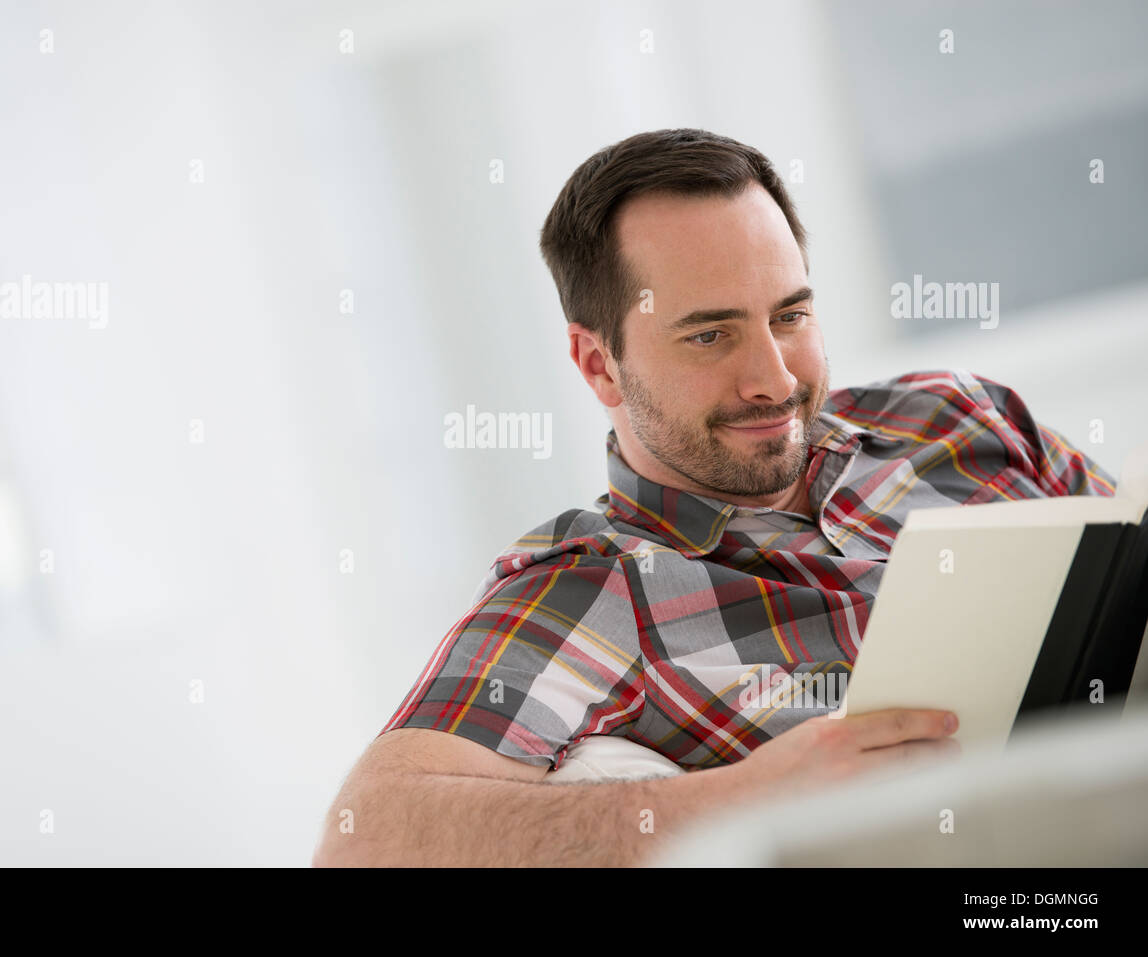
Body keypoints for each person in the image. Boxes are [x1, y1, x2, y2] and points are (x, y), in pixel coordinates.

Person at [312, 128, 1116, 867]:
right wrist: (744, 801)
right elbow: (366, 837)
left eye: (791, 315)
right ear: (598, 364)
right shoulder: (595, 588)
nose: (774, 380)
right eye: (709, 334)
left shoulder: (957, 417)